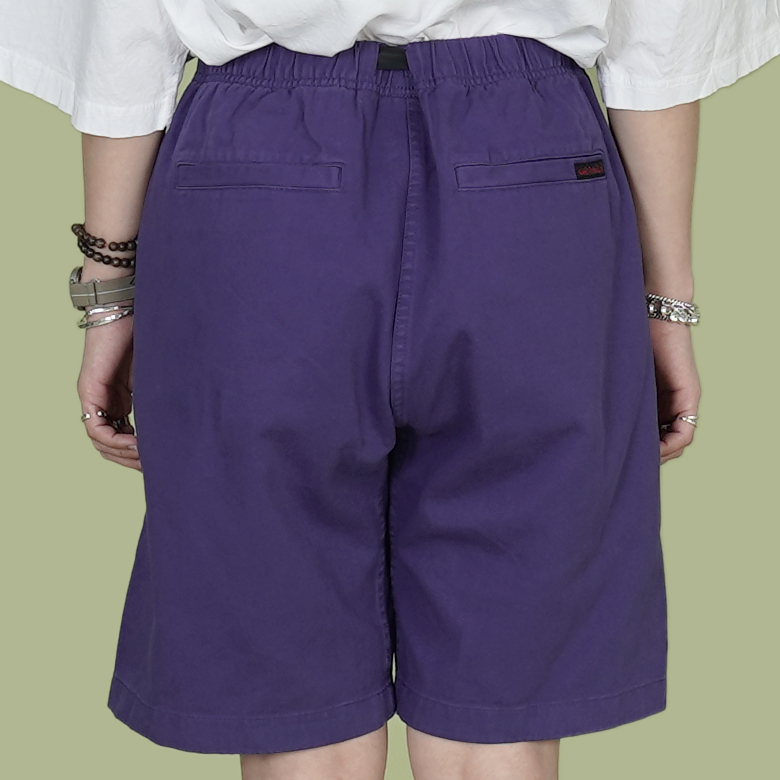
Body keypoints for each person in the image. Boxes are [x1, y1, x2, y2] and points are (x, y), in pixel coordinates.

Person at [1, 2, 778, 779]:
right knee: (498, 704)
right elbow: (658, 43)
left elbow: (125, 32)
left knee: (293, 697)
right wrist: (666, 303)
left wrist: (108, 292)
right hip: (531, 173)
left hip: (259, 180)